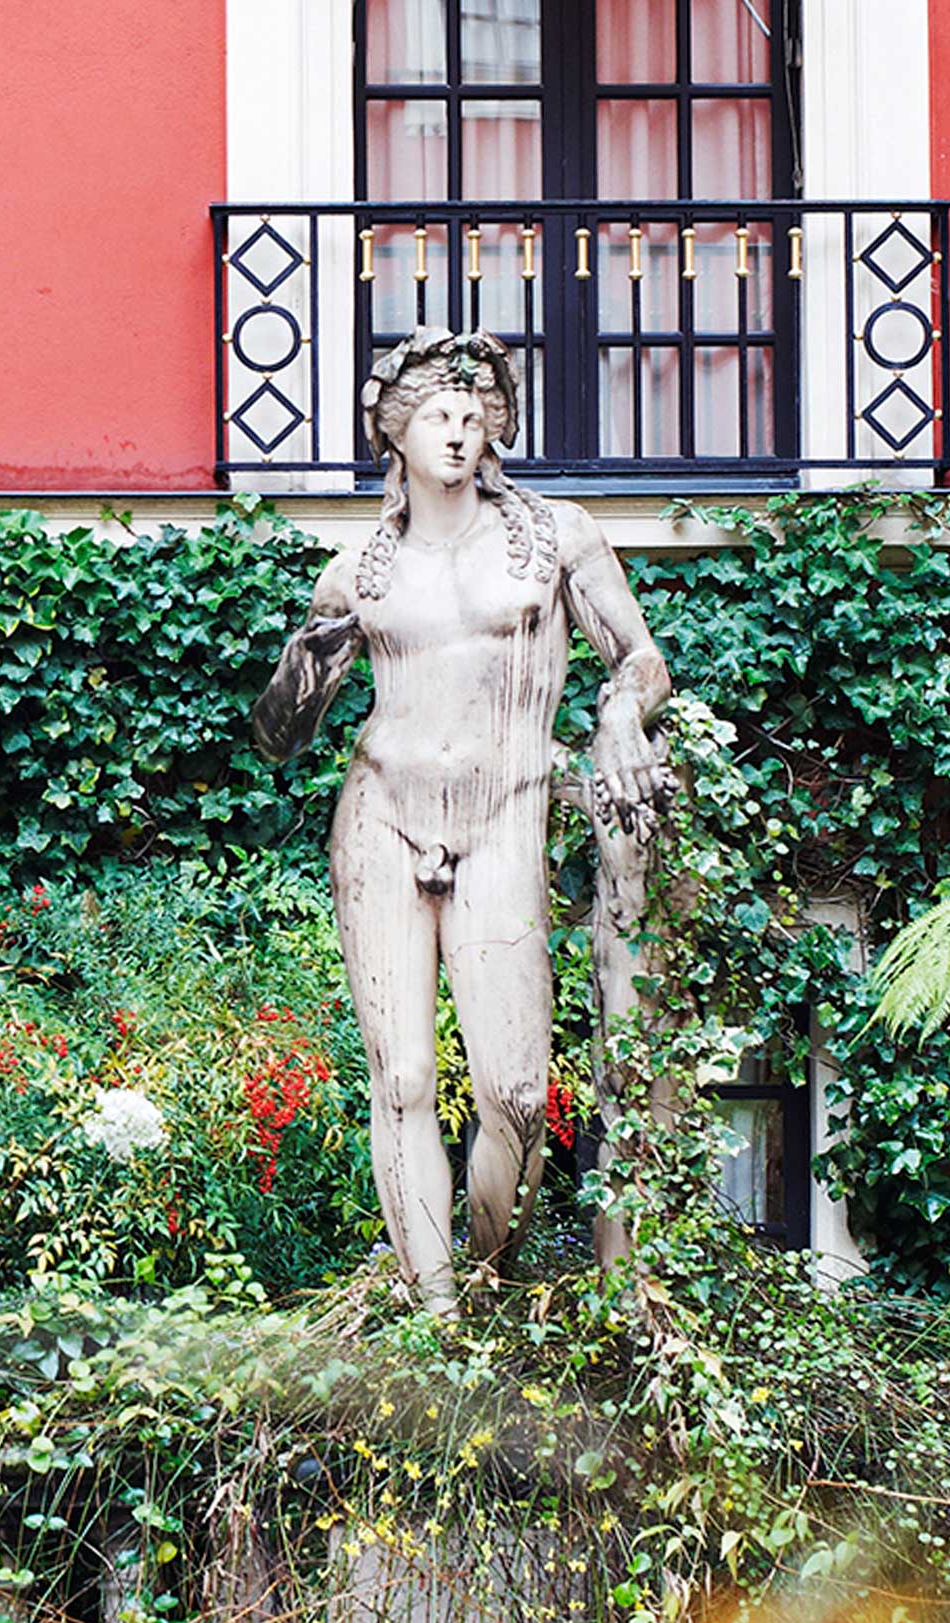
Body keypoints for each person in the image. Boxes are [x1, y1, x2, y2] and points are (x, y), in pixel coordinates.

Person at [253, 327, 673, 1314]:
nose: (458, 430)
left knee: (515, 1093)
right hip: (382, 815)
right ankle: (434, 1304)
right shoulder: (356, 569)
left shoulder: (555, 536)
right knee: (399, 1077)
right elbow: (280, 734)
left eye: (473, 414)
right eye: (437, 415)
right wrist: (308, 657)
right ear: (395, 435)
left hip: (504, 811)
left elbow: (640, 660)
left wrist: (619, 714)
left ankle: (486, 1269)